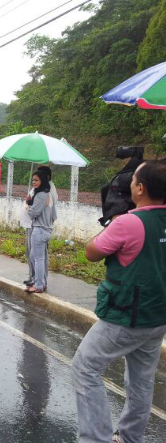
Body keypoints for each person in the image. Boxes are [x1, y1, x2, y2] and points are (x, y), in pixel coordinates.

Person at [71, 160, 166, 443]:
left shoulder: (127, 223)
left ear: (139, 188)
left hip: (125, 316)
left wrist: (113, 221)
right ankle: (130, 436)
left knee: (84, 368)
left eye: (133, 179)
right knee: (140, 380)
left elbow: (92, 252)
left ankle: (95, 438)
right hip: (158, 318)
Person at [20, 166, 57, 287]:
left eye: (37, 178)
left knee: (39, 258)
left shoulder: (46, 193)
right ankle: (35, 278)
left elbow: (37, 211)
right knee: (33, 255)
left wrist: (30, 207)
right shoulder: (39, 191)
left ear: (45, 177)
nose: (34, 181)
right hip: (34, 226)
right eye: (33, 179)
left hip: (38, 227)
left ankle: (39, 283)